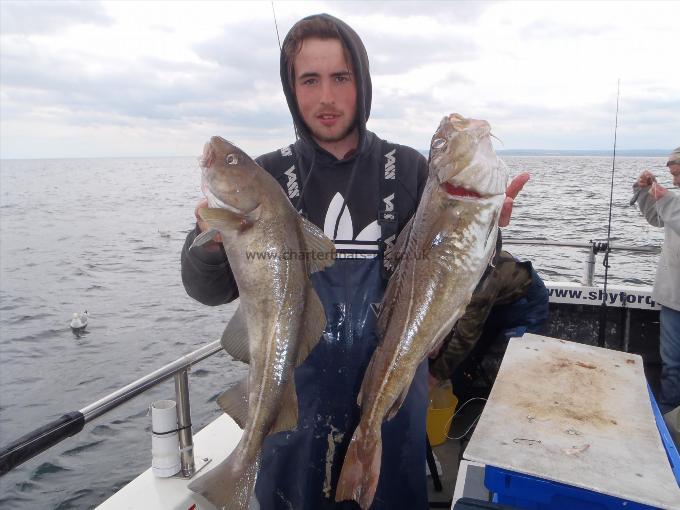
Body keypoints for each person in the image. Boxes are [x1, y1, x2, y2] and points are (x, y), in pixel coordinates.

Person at [181, 13, 527, 509]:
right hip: (292, 413)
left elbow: (446, 277)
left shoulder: (410, 169)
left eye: (341, 77)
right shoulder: (267, 176)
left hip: (389, 410)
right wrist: (210, 245)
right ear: (291, 89)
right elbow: (207, 289)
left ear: (362, 83)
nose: (326, 97)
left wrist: (487, 231)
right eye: (310, 79)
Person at [429, 251, 549, 397]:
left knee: (514, 364)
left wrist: (435, 376)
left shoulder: (478, 286)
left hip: (527, 304)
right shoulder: (453, 270)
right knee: (470, 352)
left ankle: (509, 402)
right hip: (495, 300)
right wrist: (440, 336)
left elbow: (465, 337)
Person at [634, 146, 680, 414]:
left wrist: (666, 199)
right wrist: (644, 193)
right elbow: (657, 218)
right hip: (673, 297)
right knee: (672, 366)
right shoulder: (675, 200)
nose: (674, 182)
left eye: (677, 175)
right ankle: (668, 419)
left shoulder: (674, 201)